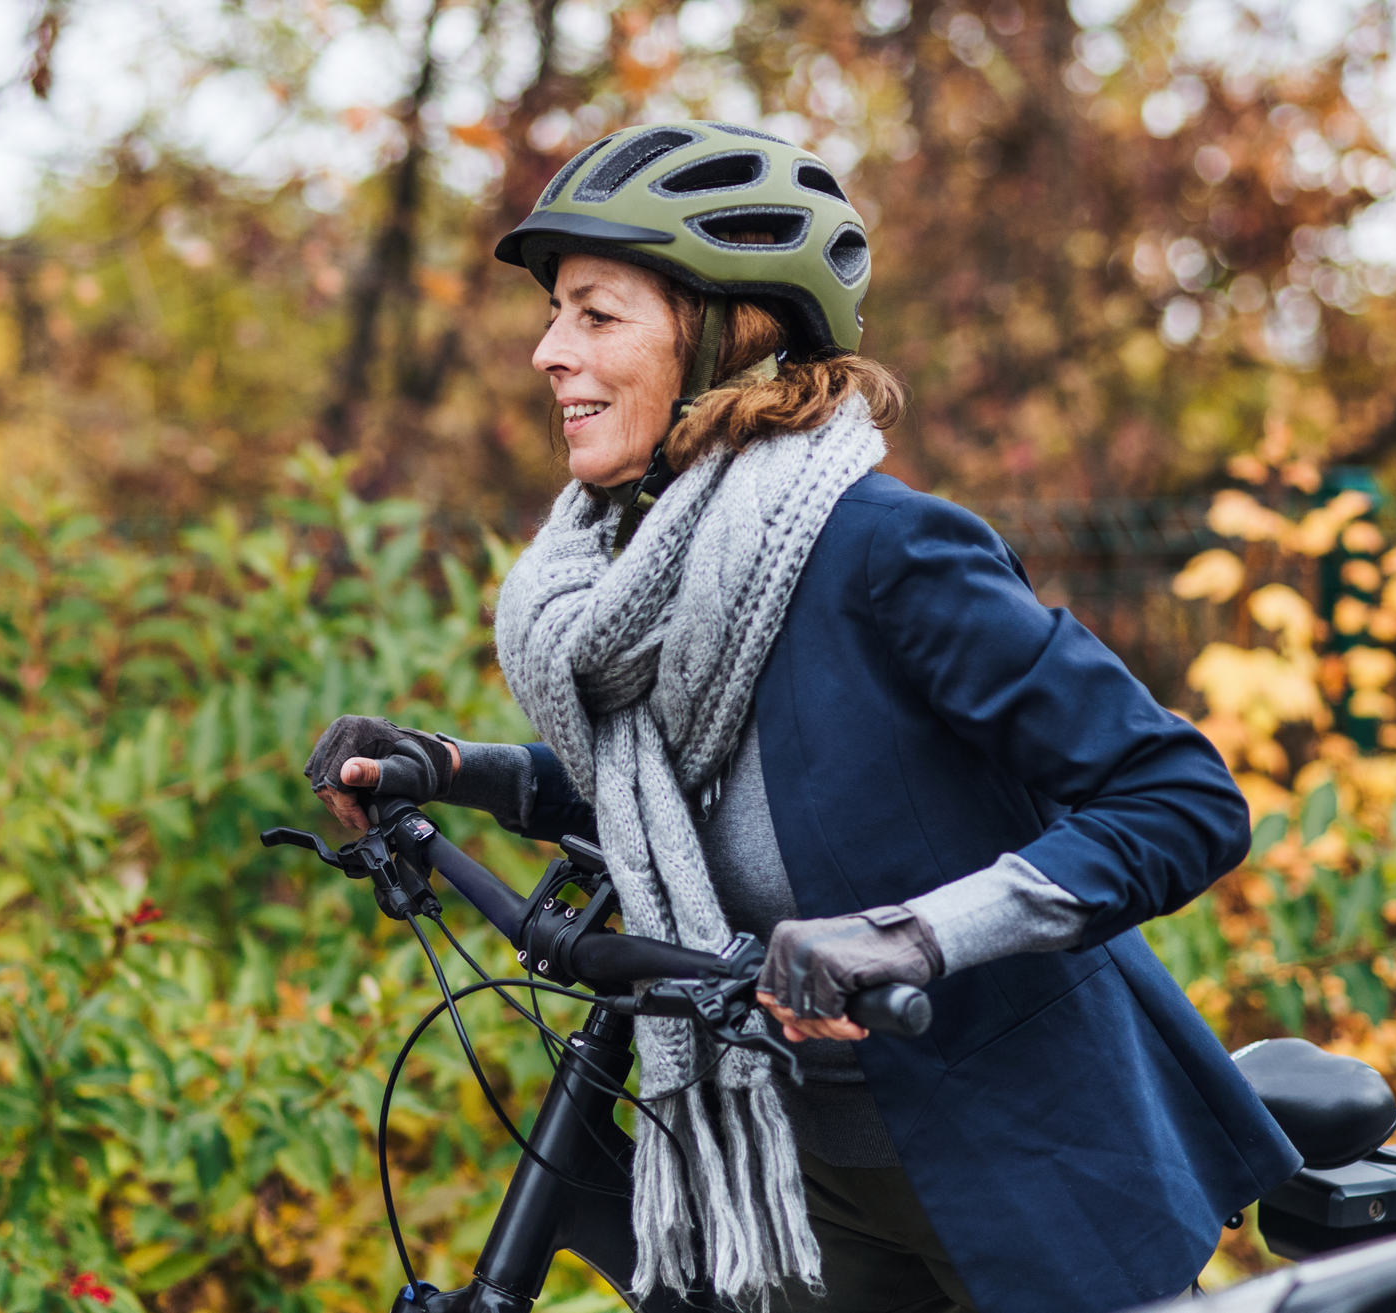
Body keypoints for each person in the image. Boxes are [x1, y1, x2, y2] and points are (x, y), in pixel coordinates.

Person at [304, 121, 1300, 1313]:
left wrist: (909, 935)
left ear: (729, 332)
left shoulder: (884, 551)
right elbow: (694, 800)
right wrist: (451, 768)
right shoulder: (649, 580)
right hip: (795, 1171)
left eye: (596, 314)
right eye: (556, 314)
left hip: (1027, 1171)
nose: (546, 352)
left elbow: (1179, 798)